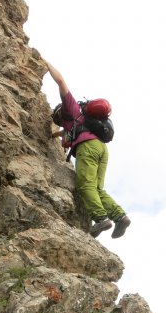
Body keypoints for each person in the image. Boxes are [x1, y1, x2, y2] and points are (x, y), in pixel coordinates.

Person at [45, 61, 131, 239]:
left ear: (60, 112)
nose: (58, 121)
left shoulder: (71, 108)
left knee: (85, 185)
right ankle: (120, 217)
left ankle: (101, 219)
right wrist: (54, 135)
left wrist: (45, 63)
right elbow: (64, 137)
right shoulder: (76, 123)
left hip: (88, 148)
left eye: (57, 117)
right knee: (98, 189)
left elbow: (60, 81)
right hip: (101, 148)